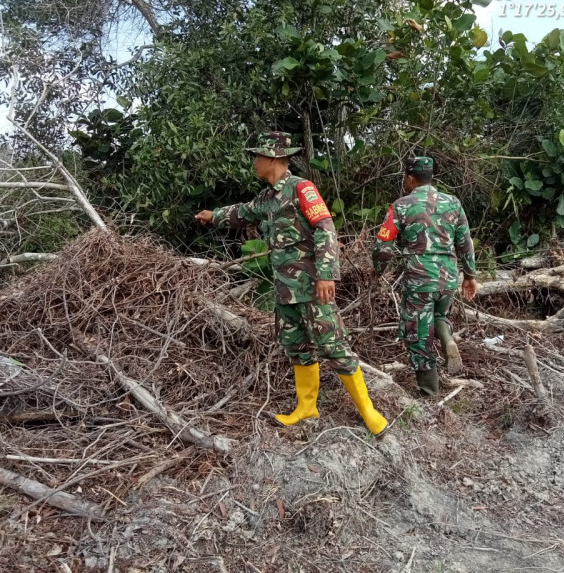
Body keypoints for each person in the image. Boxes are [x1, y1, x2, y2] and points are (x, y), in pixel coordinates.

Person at [195, 132, 388, 436]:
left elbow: (325, 228)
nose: (255, 162)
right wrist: (213, 215)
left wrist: (326, 273)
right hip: (286, 290)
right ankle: (307, 407)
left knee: (333, 345)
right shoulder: (268, 198)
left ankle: (368, 411)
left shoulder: (301, 189)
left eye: (258, 156)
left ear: (273, 158)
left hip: (312, 286)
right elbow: (243, 212)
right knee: (297, 347)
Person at [372, 156, 478, 396]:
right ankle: (447, 339)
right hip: (448, 278)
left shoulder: (401, 205)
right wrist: (469, 276)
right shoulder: (453, 203)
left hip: (420, 280)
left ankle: (428, 390)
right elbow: (465, 242)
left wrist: (378, 271)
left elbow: (382, 247)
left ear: (410, 178)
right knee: (439, 314)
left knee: (418, 334)